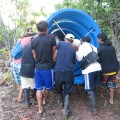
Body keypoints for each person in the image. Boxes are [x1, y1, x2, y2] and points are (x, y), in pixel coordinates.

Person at [31, 20, 56, 116]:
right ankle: (45, 100)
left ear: (37, 29)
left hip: (38, 68)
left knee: (38, 89)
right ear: (47, 28)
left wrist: (38, 61)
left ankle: (40, 109)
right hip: (48, 68)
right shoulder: (51, 39)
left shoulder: (33, 40)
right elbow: (54, 52)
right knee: (48, 87)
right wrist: (51, 61)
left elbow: (34, 55)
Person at [76, 36, 101, 113]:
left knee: (89, 89)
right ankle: (96, 102)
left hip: (89, 69)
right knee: (94, 86)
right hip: (98, 68)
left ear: (82, 41)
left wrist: (76, 51)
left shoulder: (82, 46)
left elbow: (79, 58)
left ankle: (94, 109)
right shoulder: (94, 47)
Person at [54, 33, 77, 117]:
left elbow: (55, 54)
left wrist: (53, 62)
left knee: (58, 86)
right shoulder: (73, 49)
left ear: (65, 38)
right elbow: (74, 62)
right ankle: (66, 111)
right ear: (72, 41)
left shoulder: (60, 43)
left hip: (58, 70)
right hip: (69, 72)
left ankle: (60, 102)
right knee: (68, 89)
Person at [97, 33, 119, 104]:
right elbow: (114, 58)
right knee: (112, 85)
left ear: (100, 39)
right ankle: (111, 99)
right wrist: (117, 69)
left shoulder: (99, 48)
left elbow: (98, 60)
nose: (97, 40)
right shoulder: (112, 47)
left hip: (105, 71)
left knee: (101, 83)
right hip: (113, 70)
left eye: (98, 39)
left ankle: (101, 94)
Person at [20, 41, 36, 108]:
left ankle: (27, 102)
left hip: (23, 69)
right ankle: (35, 100)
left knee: (25, 86)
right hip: (32, 69)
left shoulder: (25, 47)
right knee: (35, 86)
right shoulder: (35, 47)